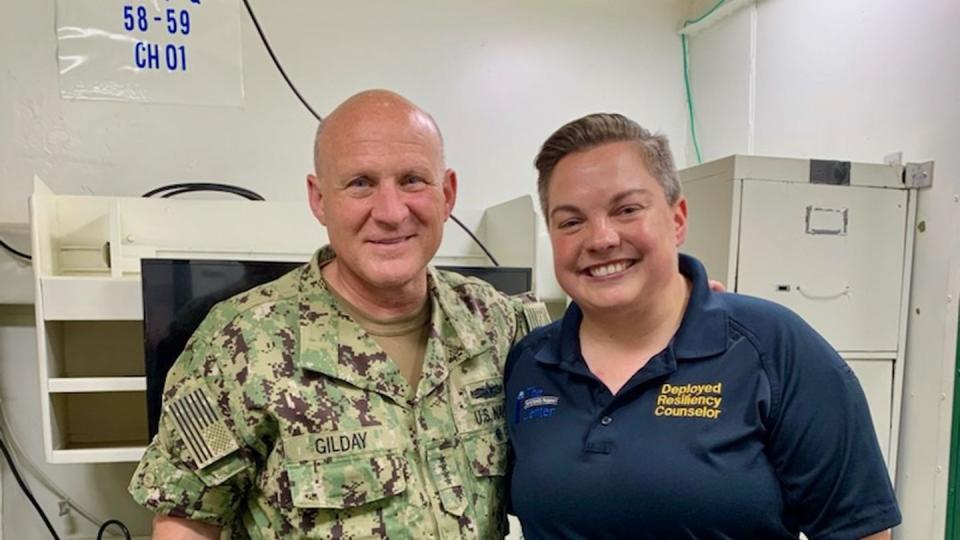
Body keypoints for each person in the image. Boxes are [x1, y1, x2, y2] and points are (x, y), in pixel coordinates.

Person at [129, 90, 545, 539]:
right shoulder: (240, 343)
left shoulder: (498, 325)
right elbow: (188, 520)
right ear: (319, 198)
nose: (390, 212)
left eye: (412, 180)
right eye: (360, 183)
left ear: (446, 194)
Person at [505, 113, 901, 539]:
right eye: (571, 221)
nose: (601, 238)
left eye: (626, 210)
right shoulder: (529, 363)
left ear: (677, 219)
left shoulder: (774, 347)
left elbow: (859, 529)